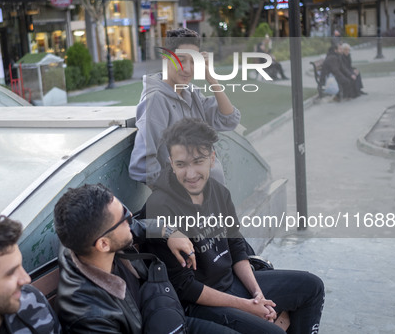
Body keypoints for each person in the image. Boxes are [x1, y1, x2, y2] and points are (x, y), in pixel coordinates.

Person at [144, 118, 325, 334]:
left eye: (198, 161)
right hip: (199, 304)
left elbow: (237, 246)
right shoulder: (160, 206)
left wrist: (258, 295)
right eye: (181, 164)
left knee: (312, 286)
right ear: (171, 163)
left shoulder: (219, 192)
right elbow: (185, 287)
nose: (190, 174)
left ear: (212, 158)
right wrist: (247, 306)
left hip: (232, 282)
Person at [53, 183, 239, 334]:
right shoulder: (89, 316)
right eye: (124, 216)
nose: (131, 216)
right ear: (103, 244)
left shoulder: (85, 240)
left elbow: (137, 226)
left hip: (165, 313)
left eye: (124, 208)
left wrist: (168, 232)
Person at [129, 27, 240, 188]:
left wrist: (212, 80)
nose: (187, 69)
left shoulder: (191, 93)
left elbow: (229, 119)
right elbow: (141, 165)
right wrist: (177, 196)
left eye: (194, 61)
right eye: (181, 60)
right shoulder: (156, 99)